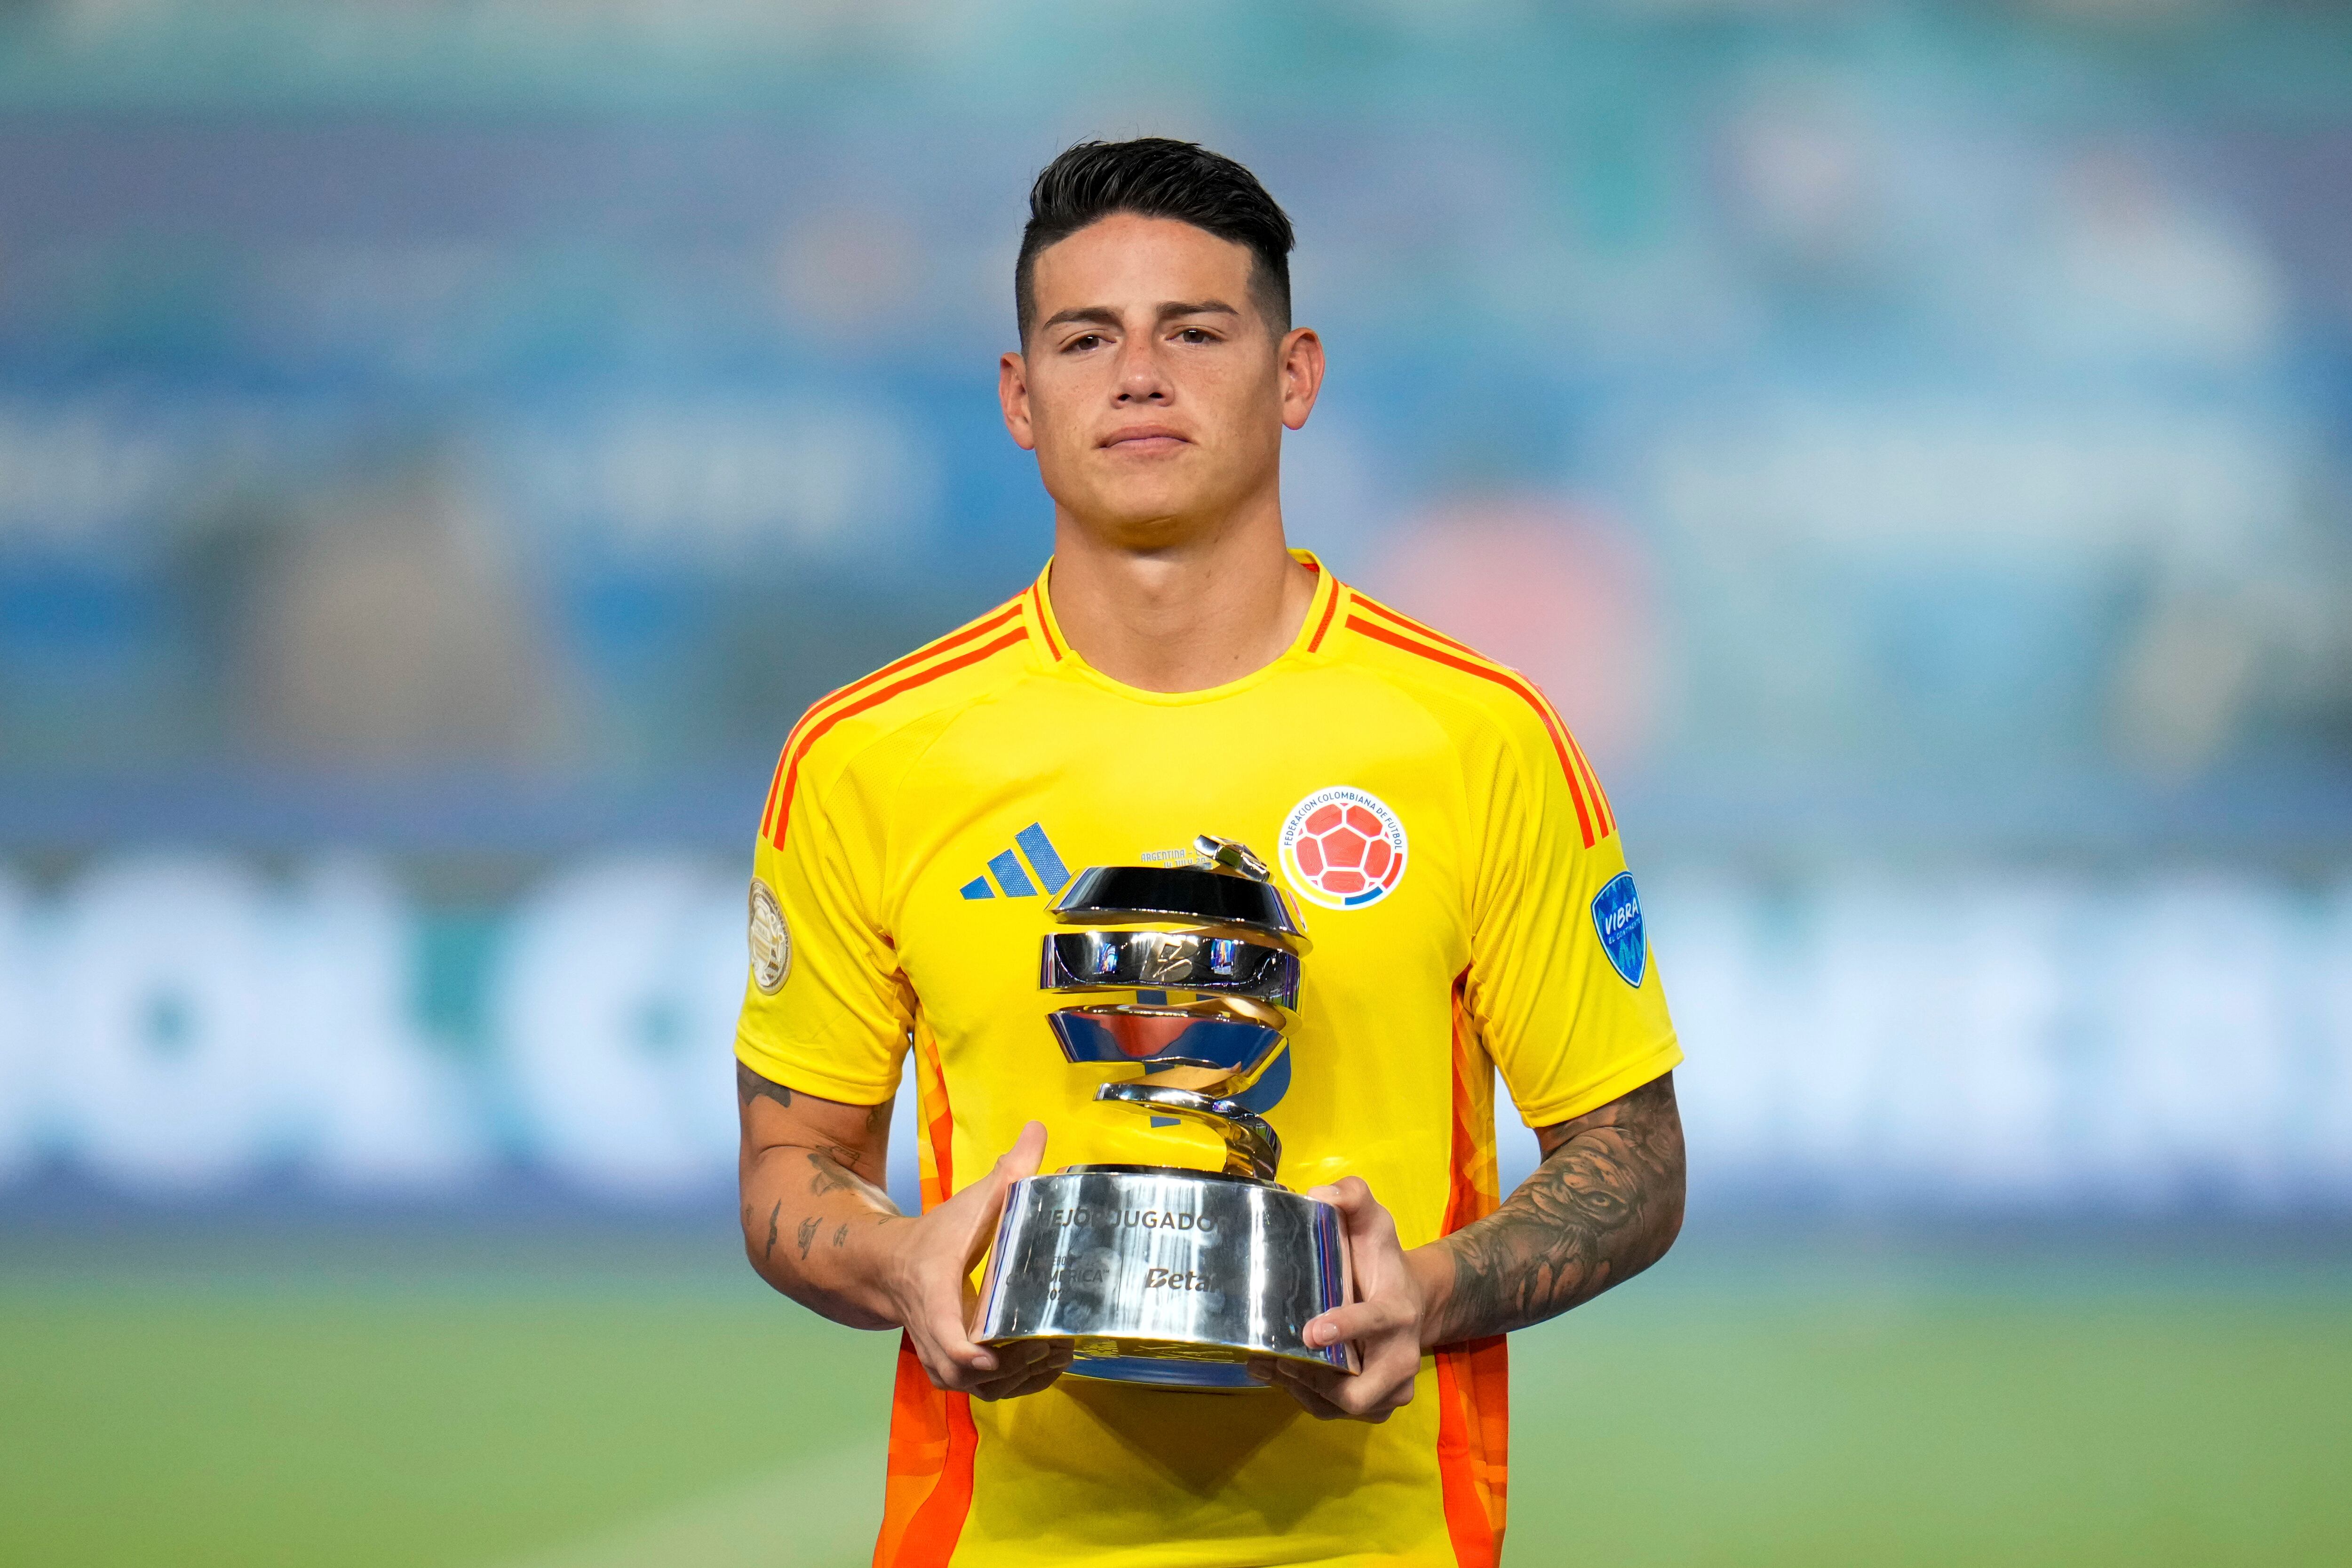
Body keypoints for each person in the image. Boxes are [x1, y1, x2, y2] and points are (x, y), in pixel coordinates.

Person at [734, 137, 1685, 1568]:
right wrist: (902, 1259)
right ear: (1021, 397)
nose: (1138, 374)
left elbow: (1633, 1157)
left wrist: (1426, 1291)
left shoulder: (1476, 738)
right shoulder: (871, 754)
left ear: (1293, 376)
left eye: (1195, 330)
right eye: (1085, 337)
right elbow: (788, 1168)